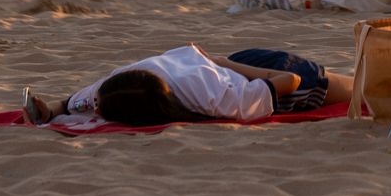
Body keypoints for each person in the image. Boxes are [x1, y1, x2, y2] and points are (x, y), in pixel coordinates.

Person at [22, 45, 352, 127]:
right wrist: (50, 109)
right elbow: (72, 104)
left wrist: (226, 64)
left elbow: (289, 81)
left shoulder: (213, 98)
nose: (94, 107)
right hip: (229, 65)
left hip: (276, 76)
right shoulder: (119, 82)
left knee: (363, 89)